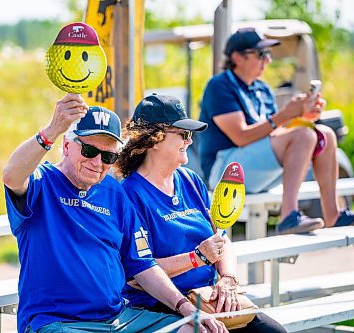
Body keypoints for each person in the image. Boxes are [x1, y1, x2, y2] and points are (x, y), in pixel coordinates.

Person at [2, 93, 228, 333]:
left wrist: (185, 308)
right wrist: (51, 131)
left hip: (118, 318)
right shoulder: (42, 182)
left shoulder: (113, 191)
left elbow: (142, 266)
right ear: (67, 146)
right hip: (59, 322)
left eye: (108, 156)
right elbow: (11, 176)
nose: (97, 162)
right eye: (89, 150)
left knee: (197, 330)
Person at [114, 94, 287, 333]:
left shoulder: (190, 180)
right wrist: (197, 257)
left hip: (208, 297)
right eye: (183, 134)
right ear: (154, 140)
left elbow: (221, 238)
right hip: (162, 305)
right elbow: (137, 274)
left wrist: (227, 279)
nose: (190, 140)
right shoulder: (130, 195)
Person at [198, 28, 354, 234]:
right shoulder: (219, 85)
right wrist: (286, 115)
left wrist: (301, 118)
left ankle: (333, 215)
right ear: (237, 57)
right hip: (224, 172)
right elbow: (241, 136)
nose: (268, 60)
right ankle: (288, 216)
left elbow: (274, 135)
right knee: (305, 135)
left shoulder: (262, 89)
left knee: (324, 135)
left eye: (268, 54)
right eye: (261, 54)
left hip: (252, 169)